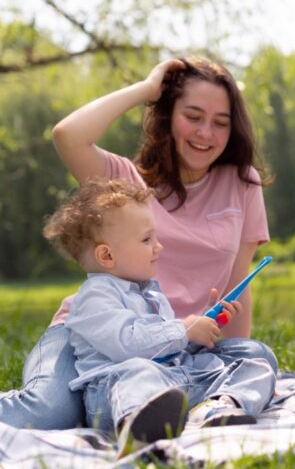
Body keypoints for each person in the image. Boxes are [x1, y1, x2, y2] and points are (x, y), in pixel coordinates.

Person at [0, 57, 276, 430]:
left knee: (256, 357)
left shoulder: (243, 183)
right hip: (95, 338)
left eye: (220, 123)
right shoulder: (124, 186)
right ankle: (100, 400)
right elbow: (68, 134)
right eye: (192, 116)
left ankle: (141, 406)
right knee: (48, 413)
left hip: (178, 348)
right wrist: (147, 89)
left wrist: (224, 354)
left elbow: (238, 285)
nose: (205, 133)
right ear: (167, 115)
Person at [43, 178, 275, 450]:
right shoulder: (94, 297)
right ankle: (137, 425)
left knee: (254, 360)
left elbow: (165, 348)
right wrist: (183, 329)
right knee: (138, 371)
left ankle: (217, 407)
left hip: (174, 380)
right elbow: (127, 344)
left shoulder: (150, 291)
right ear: (107, 256)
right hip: (115, 392)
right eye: (146, 239)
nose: (159, 247)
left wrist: (204, 327)